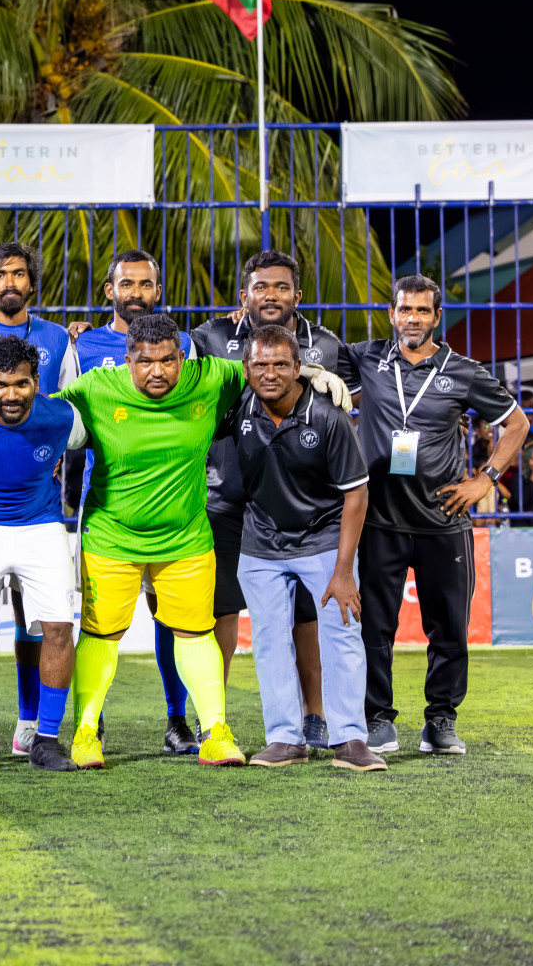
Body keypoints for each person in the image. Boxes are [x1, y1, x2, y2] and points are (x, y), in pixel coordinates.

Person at [57, 313, 352, 770]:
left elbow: (263, 369)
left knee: (196, 633)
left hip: (186, 538)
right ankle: (86, 732)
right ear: (127, 360)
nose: (158, 371)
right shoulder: (94, 388)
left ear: (183, 356)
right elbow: (39, 414)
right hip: (112, 538)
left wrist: (315, 373)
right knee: (101, 634)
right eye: (145, 362)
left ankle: (215, 732)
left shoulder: (210, 375)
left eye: (169, 360)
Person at [346, 275, 529, 756]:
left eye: (422, 311)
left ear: (436, 316)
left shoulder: (463, 371)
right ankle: (377, 719)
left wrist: (485, 479)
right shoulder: (366, 358)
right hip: (379, 520)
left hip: (443, 520)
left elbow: (517, 423)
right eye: (405, 310)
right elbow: (307, 363)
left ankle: (441, 722)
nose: (413, 319)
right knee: (374, 630)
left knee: (448, 628)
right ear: (392, 314)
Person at [192, 249, 359, 749]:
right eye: (261, 287)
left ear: (297, 295)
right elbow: (193, 381)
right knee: (224, 613)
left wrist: (310, 373)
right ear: (244, 294)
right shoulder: (210, 337)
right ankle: (213, 721)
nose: (271, 295)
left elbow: (350, 404)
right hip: (227, 496)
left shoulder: (326, 344)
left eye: (281, 287)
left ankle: (315, 717)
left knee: (311, 616)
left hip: (305, 504)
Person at [229, 324, 383, 771]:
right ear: (247, 368)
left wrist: (343, 571)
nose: (270, 373)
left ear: (300, 368)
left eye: (281, 364)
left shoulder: (329, 416)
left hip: (322, 539)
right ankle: (284, 738)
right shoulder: (237, 405)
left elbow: (356, 494)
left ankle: (350, 738)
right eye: (260, 364)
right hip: (261, 542)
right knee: (270, 641)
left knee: (341, 633)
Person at [67, 249, 201, 755]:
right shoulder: (82, 346)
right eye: (128, 284)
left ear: (159, 290)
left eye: (146, 284)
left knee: (171, 617)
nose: (137, 293)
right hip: (106, 507)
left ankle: (176, 720)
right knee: (100, 621)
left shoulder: (184, 344)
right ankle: (91, 720)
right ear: (110, 291)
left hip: (172, 504)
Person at [0, 241, 78, 757]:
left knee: (58, 629)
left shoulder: (63, 416)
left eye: (21, 385)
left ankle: (45, 737)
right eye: (0, 385)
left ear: (37, 382)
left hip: (44, 528)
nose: (10, 395)